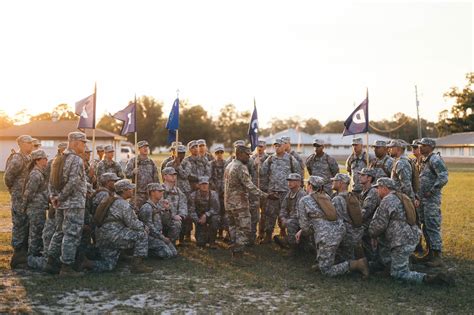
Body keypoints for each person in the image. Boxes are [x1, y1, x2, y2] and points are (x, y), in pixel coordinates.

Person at [369, 178, 453, 285]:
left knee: (398, 273)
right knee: (393, 257)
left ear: (384, 188)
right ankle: (400, 263)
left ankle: (430, 279)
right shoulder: (402, 197)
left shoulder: (387, 200)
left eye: (378, 188)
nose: (377, 191)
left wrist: (372, 234)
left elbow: (378, 225)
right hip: (411, 238)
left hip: (401, 242)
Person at [296, 176, 369, 278]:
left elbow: (305, 227)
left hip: (326, 235)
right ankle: (324, 261)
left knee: (326, 271)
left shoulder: (304, 200)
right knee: (331, 250)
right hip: (340, 230)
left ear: (309, 186)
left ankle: (357, 264)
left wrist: (306, 231)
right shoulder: (327, 197)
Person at [46, 132, 89, 275]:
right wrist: (61, 197)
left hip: (60, 203)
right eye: (83, 143)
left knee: (59, 232)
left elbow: (51, 182)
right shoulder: (76, 160)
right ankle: (67, 267)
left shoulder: (58, 158)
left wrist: (54, 197)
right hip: (74, 203)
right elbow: (74, 182)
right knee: (71, 233)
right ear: (75, 143)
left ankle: (51, 262)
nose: (84, 145)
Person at [92, 179, 153, 273]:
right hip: (114, 235)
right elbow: (133, 223)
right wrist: (144, 227)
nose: (132, 191)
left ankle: (87, 263)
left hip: (102, 235)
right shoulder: (122, 204)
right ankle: (137, 265)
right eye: (130, 189)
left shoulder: (110, 199)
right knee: (142, 234)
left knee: (109, 265)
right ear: (124, 190)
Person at [224, 145, 270, 265]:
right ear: (239, 154)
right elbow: (250, 187)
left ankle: (235, 255)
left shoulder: (229, 165)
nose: (249, 157)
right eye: (247, 154)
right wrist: (266, 195)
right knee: (244, 229)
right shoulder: (241, 167)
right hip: (239, 204)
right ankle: (238, 258)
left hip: (229, 204)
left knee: (234, 228)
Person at [413, 138, 449, 267]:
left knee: (432, 226)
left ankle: (437, 257)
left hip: (431, 200)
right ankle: (430, 253)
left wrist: (432, 190)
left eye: (424, 145)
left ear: (431, 147)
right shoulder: (423, 160)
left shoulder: (435, 159)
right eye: (420, 145)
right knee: (425, 226)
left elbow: (444, 176)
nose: (420, 147)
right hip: (422, 199)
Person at [260, 138, 301, 243]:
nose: (277, 147)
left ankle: (284, 233)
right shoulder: (270, 159)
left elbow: (298, 174)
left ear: (284, 146)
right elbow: (263, 174)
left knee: (287, 213)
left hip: (287, 192)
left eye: (279, 145)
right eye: (275, 145)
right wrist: (265, 189)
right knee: (270, 214)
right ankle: (268, 235)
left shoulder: (291, 159)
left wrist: (296, 190)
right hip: (273, 192)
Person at [4, 135, 34, 268]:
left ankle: (23, 254)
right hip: (19, 197)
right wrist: (14, 190)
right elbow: (8, 177)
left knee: (26, 223)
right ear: (21, 144)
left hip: (27, 198)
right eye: (28, 143)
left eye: (32, 143)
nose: (31, 145)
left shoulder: (29, 158)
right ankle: (17, 255)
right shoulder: (17, 158)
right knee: (19, 224)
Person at [20, 149, 49, 269]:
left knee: (38, 230)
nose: (46, 161)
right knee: (35, 232)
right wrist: (25, 206)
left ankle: (34, 255)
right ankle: (31, 257)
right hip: (35, 208)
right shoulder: (35, 174)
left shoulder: (40, 172)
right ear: (37, 160)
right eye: (44, 159)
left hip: (39, 207)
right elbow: (29, 192)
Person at [138, 183, 178, 259]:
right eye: (159, 191)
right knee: (167, 254)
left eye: (162, 191)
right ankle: (145, 252)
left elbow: (166, 222)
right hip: (149, 237)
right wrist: (162, 238)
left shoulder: (158, 206)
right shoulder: (147, 207)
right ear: (152, 192)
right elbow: (149, 227)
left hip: (158, 236)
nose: (162, 193)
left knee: (174, 253)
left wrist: (167, 210)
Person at [331, 173, 364, 261]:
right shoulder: (352, 196)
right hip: (355, 232)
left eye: (335, 181)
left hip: (346, 235)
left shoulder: (337, 199)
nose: (332, 182)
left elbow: (336, 221)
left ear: (341, 183)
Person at [275, 173, 307, 252]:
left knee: (290, 223)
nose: (289, 183)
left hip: (301, 219)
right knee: (286, 220)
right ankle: (289, 242)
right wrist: (282, 218)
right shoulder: (289, 193)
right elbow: (283, 208)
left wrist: (288, 220)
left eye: (292, 181)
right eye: (289, 181)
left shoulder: (301, 194)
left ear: (299, 183)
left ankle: (292, 248)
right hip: (292, 218)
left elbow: (300, 212)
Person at [125, 140, 160, 210]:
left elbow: (156, 179)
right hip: (138, 194)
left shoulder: (151, 162)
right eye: (143, 147)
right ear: (139, 149)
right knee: (135, 212)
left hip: (150, 194)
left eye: (146, 147)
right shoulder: (133, 161)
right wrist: (133, 172)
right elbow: (127, 174)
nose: (145, 149)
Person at [189, 176, 220, 249]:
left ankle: (212, 241)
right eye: (202, 184)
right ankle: (201, 237)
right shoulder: (193, 195)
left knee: (215, 219)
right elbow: (191, 211)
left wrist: (206, 215)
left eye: (206, 184)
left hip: (210, 217)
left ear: (209, 185)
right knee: (200, 243)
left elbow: (216, 209)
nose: (204, 186)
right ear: (198, 185)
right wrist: (198, 220)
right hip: (198, 218)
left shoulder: (213, 194)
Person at [357, 168, 380, 261]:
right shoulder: (364, 191)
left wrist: (354, 221)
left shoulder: (373, 192)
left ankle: (372, 260)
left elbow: (365, 212)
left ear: (369, 178)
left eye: (363, 175)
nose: (360, 177)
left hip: (372, 224)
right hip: (367, 222)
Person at [161, 167, 188, 245]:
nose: (174, 176)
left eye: (175, 175)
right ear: (165, 176)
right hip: (161, 218)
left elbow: (183, 204)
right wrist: (172, 216)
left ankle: (170, 243)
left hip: (174, 219)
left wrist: (181, 215)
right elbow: (158, 207)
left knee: (177, 223)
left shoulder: (178, 191)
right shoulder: (160, 190)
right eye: (171, 175)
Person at [209, 145, 230, 241]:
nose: (219, 154)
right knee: (215, 211)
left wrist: (224, 190)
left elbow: (227, 178)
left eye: (221, 152)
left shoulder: (227, 164)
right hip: (214, 192)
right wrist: (215, 190)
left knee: (224, 212)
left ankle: (223, 232)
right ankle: (214, 233)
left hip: (225, 192)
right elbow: (210, 178)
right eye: (217, 152)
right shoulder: (211, 164)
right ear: (215, 154)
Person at [251, 140, 269, 241]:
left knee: (264, 213)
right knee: (254, 212)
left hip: (264, 189)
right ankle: (252, 234)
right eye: (258, 146)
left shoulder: (268, 158)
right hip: (254, 189)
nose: (260, 148)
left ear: (265, 147)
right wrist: (254, 163)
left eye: (262, 146)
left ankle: (261, 233)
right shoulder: (251, 158)